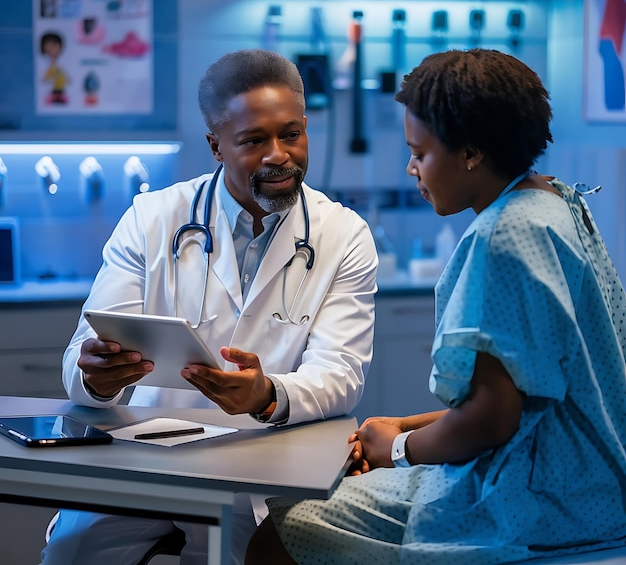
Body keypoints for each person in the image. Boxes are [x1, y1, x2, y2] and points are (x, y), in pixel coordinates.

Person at [246, 48, 626, 564]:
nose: (411, 168)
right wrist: (404, 426)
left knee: (281, 531)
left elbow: (493, 419)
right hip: (596, 481)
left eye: (419, 153)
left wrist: (397, 451)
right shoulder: (555, 201)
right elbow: (528, 393)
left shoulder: (503, 236)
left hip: (543, 501)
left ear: (470, 151)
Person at [41, 49, 378, 565]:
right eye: (253, 141)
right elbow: (80, 359)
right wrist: (98, 378)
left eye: (291, 134)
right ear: (215, 145)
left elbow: (342, 374)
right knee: (72, 551)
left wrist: (267, 393)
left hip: (263, 465)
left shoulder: (343, 235)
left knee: (240, 553)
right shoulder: (152, 219)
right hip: (143, 459)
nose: (278, 155)